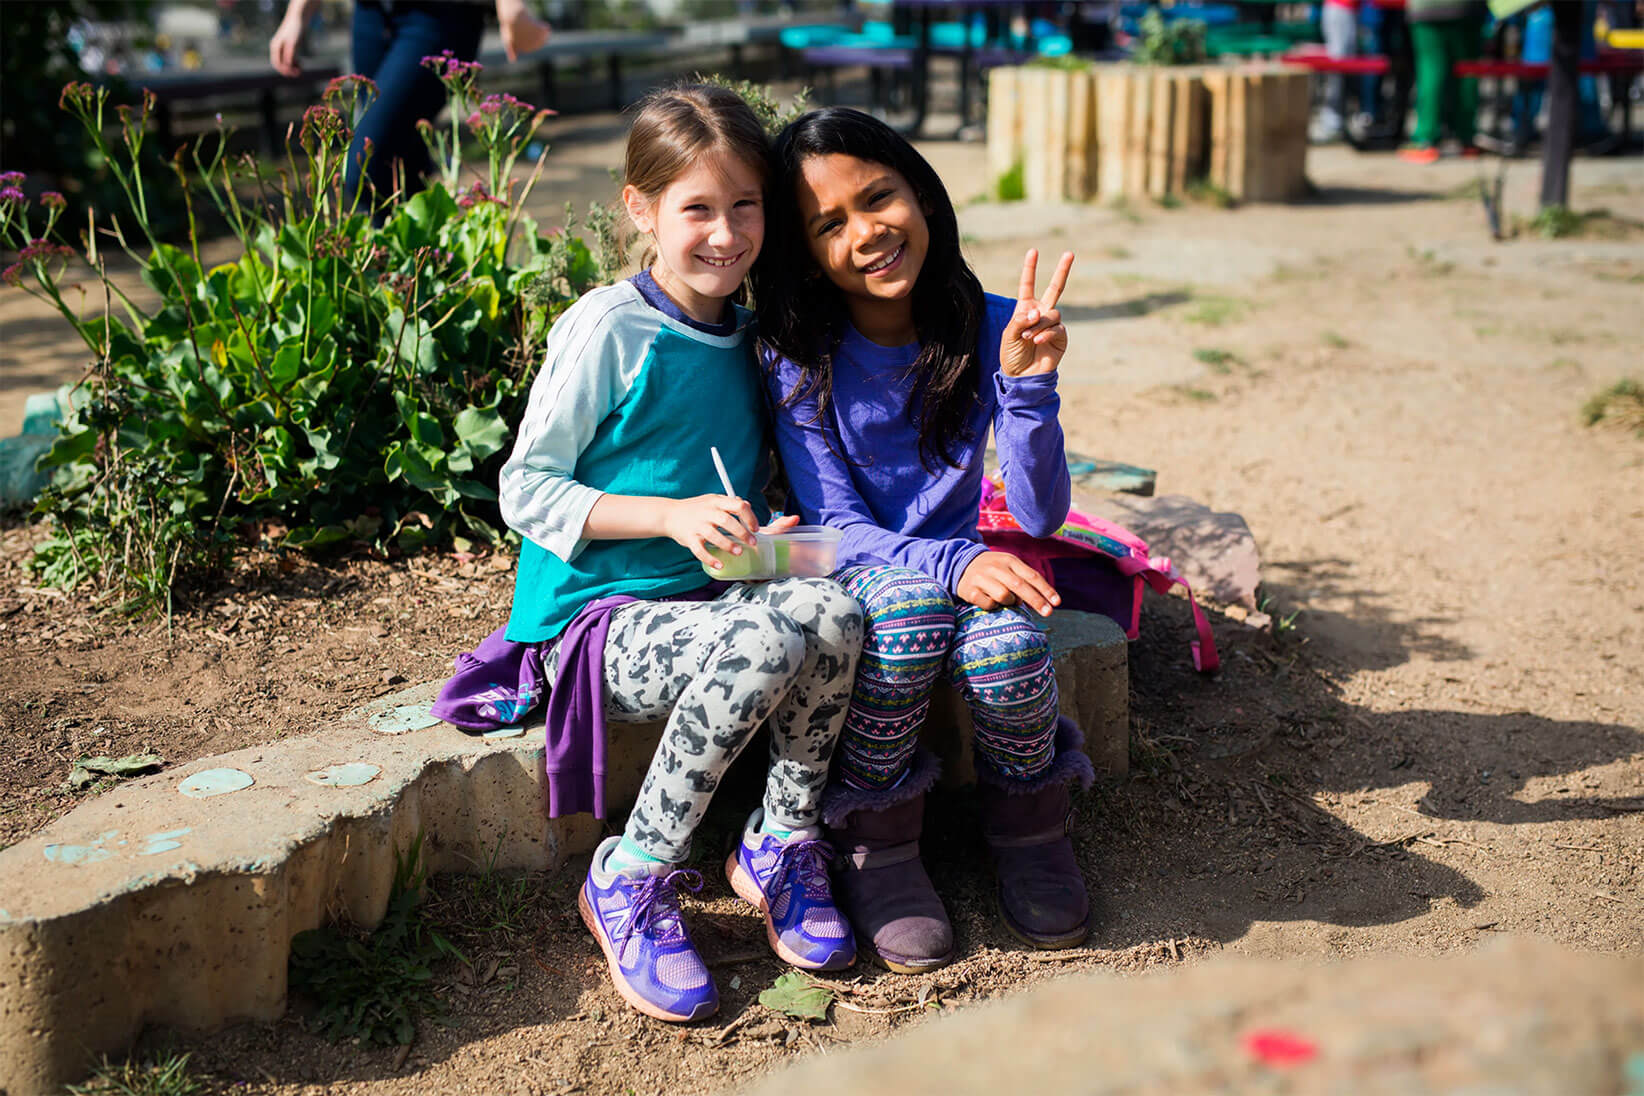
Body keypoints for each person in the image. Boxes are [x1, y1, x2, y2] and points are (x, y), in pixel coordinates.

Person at [488, 86, 863, 1023]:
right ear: (640, 208)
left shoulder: (746, 331)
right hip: (594, 621)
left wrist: (762, 531)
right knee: (770, 645)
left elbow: (726, 498)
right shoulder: (609, 329)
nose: (726, 234)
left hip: (704, 598)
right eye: (698, 208)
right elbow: (524, 488)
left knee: (836, 608)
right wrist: (667, 517)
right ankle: (634, 872)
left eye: (746, 207)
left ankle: (780, 841)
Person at [751, 107, 1093, 975]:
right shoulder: (798, 356)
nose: (867, 233)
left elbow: (1043, 514)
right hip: (854, 569)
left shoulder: (990, 326)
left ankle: (1031, 824)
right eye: (830, 224)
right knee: (903, 622)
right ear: (806, 252)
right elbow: (834, 527)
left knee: (1013, 649)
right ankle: (877, 838)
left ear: (924, 196)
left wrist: (1027, 390)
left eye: (879, 198)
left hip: (957, 571)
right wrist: (954, 559)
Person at [269, 0, 551, 203]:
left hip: (442, 15)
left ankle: (398, 273)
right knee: (402, 167)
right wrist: (297, 12)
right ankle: (419, 276)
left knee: (365, 168)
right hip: (371, 14)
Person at [1400, 0, 1487, 161]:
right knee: (1466, 73)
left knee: (1430, 72)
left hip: (1427, 10)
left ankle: (1426, 139)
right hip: (1466, 9)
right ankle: (1467, 138)